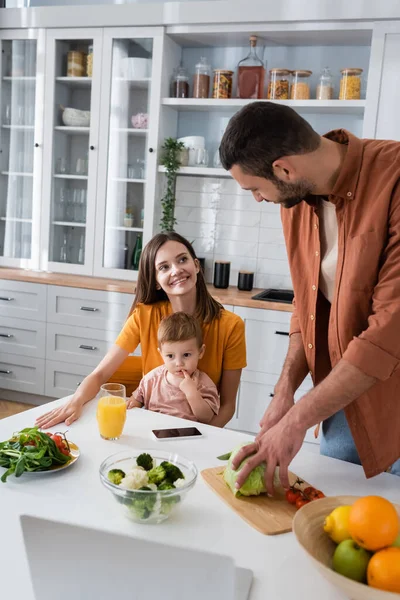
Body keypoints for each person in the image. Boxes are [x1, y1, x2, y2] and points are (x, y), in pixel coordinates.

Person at [218, 101, 400, 494]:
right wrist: (285, 395)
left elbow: (388, 333)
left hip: (393, 397)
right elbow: (307, 308)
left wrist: (297, 420)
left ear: (284, 168)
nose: (258, 200)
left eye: (254, 189)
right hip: (346, 395)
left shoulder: (395, 177)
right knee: (334, 524)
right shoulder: (296, 199)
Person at [36, 232, 246, 429]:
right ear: (155, 281)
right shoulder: (144, 316)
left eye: (182, 260)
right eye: (163, 267)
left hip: (198, 429)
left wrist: (200, 437)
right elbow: (100, 374)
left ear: (197, 266)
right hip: (151, 427)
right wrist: (75, 402)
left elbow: (228, 406)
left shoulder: (231, 326)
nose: (176, 270)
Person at [129, 311, 219, 424]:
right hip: (154, 432)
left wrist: (192, 393)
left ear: (200, 352)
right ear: (161, 354)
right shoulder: (152, 380)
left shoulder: (203, 383)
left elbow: (206, 417)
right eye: (170, 356)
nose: (179, 363)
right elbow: (135, 402)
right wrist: (132, 406)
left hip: (187, 437)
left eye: (186, 355)